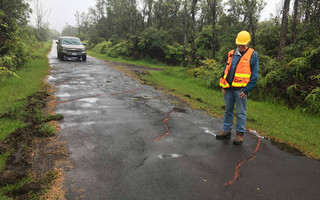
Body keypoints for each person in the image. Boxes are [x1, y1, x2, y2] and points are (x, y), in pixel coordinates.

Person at [216, 31, 259, 145]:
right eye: (239, 44)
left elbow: (255, 75)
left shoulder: (253, 54)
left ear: (248, 42)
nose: (240, 47)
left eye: (242, 45)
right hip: (228, 88)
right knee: (228, 110)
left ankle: (239, 134)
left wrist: (247, 89)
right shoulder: (231, 53)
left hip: (241, 90)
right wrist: (223, 85)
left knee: (240, 112)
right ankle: (226, 130)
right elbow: (226, 70)